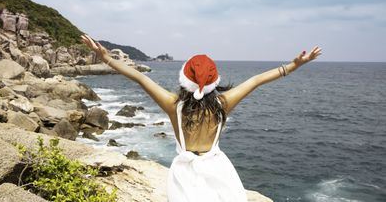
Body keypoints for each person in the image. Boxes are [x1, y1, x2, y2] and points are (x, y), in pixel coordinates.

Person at [81, 34, 322, 202]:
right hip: (218, 170)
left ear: (184, 78)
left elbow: (140, 78)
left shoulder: (174, 105)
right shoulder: (222, 104)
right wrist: (295, 64)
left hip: (185, 173)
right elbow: (257, 79)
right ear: (213, 81)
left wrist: (106, 58)